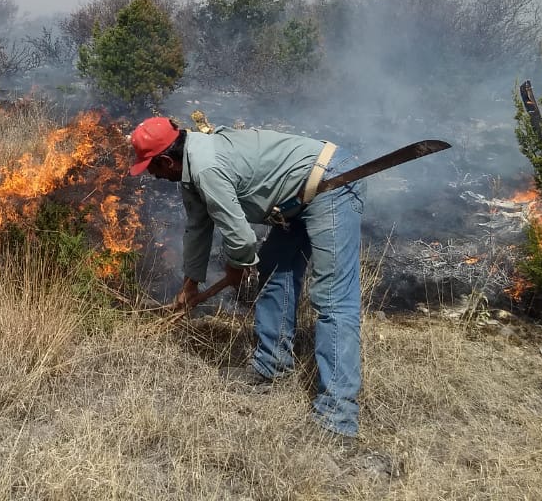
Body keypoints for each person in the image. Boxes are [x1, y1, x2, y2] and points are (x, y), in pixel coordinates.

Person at [127, 115, 364, 438]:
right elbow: (198, 227)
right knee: (274, 273)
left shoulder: (206, 168)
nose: (152, 175)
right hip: (294, 199)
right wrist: (191, 282)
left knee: (333, 298)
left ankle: (338, 417)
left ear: (166, 161)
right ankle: (272, 366)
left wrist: (237, 266)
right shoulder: (189, 169)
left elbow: (241, 239)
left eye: (151, 168)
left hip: (331, 182)